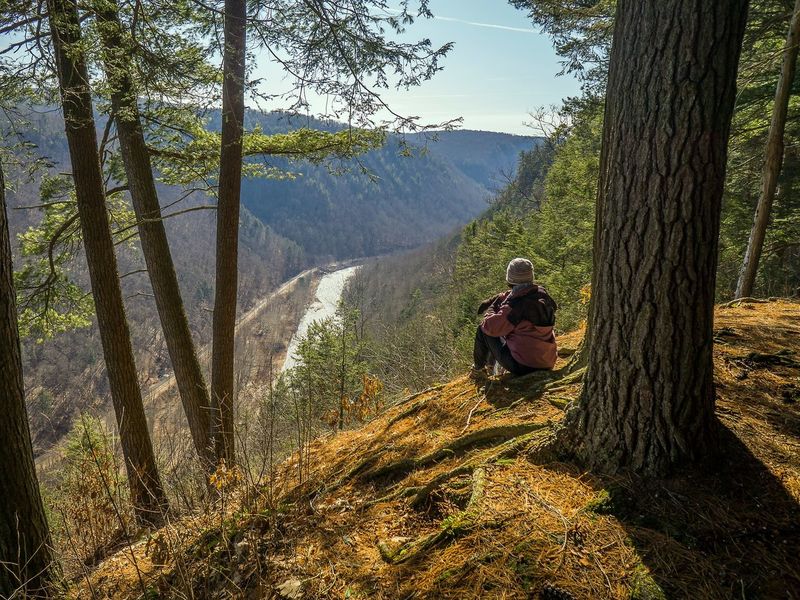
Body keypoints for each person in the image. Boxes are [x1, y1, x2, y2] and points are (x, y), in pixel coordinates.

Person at [472, 257, 558, 377]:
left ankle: (479, 370)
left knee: (483, 330)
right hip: (547, 361)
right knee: (502, 328)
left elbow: (489, 327)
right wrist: (501, 297)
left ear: (509, 278)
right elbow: (521, 294)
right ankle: (491, 366)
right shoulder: (541, 295)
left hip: (524, 365)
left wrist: (491, 308)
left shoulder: (514, 307)